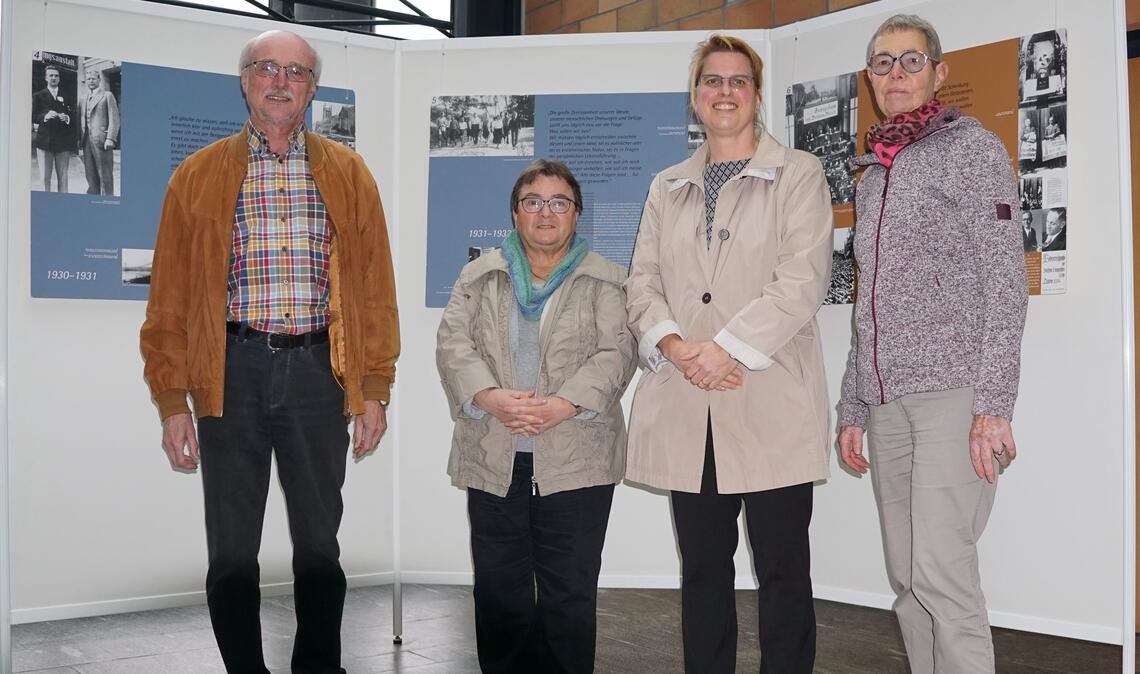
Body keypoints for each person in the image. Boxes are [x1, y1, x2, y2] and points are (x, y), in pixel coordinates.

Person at [139, 30, 399, 674]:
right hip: (231, 372)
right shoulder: (195, 178)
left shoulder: (348, 173)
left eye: (296, 72)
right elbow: (167, 300)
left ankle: (319, 666)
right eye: (266, 69)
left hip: (319, 371)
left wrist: (375, 387)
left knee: (318, 546)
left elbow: (375, 291)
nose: (280, 82)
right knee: (231, 553)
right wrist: (174, 401)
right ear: (245, 80)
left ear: (312, 88)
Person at [624, 34, 833, 674]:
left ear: (757, 95)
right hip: (691, 404)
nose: (724, 92)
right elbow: (642, 281)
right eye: (712, 80)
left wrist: (725, 350)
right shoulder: (668, 185)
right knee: (704, 573)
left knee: (782, 573)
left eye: (738, 81)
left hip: (768, 400)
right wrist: (675, 345)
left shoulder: (799, 173)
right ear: (694, 97)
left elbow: (802, 280)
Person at [838, 14, 1027, 674]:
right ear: (869, 79)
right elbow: (870, 304)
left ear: (939, 73)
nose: (896, 74)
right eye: (883, 63)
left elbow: (1007, 281)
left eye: (911, 61)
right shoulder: (872, 173)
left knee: (941, 570)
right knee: (906, 577)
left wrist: (994, 403)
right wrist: (853, 408)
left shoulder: (973, 150)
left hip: (955, 395)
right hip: (887, 403)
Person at [436, 159, 636, 673]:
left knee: (568, 594)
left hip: (576, 458)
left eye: (559, 202)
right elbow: (454, 344)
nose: (546, 212)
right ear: (515, 212)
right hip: (494, 454)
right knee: (500, 592)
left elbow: (617, 351)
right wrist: (489, 396)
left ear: (576, 214)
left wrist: (565, 403)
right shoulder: (479, 276)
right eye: (533, 201)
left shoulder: (608, 281)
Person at [32, 65, 75, 192]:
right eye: (51, 75)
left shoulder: (67, 95)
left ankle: (63, 203)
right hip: (45, 142)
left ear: (59, 79)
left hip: (63, 142)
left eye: (56, 75)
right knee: (45, 177)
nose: (54, 78)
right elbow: (33, 115)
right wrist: (45, 116)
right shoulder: (38, 96)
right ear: (46, 78)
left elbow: (74, 114)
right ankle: (46, 202)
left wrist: (67, 117)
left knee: (63, 177)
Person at [79, 68, 119, 195]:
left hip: (102, 141)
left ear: (99, 80)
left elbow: (115, 118)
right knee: (90, 174)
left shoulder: (107, 95)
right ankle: (93, 199)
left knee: (105, 175)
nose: (91, 81)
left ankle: (108, 199)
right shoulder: (83, 98)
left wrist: (110, 138)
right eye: (88, 79)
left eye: (93, 78)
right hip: (86, 142)